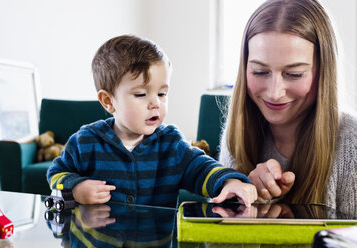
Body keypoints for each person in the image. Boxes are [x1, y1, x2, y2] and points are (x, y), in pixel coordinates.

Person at [47, 35, 257, 208]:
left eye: (162, 93)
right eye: (140, 94)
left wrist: (230, 181)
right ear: (108, 101)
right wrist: (76, 188)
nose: (155, 103)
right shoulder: (85, 141)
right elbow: (56, 174)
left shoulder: (171, 143)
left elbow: (201, 168)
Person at [219, 0, 357, 216]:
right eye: (259, 72)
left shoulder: (352, 144)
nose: (275, 93)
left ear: (323, 72)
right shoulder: (238, 129)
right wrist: (245, 196)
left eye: (294, 74)